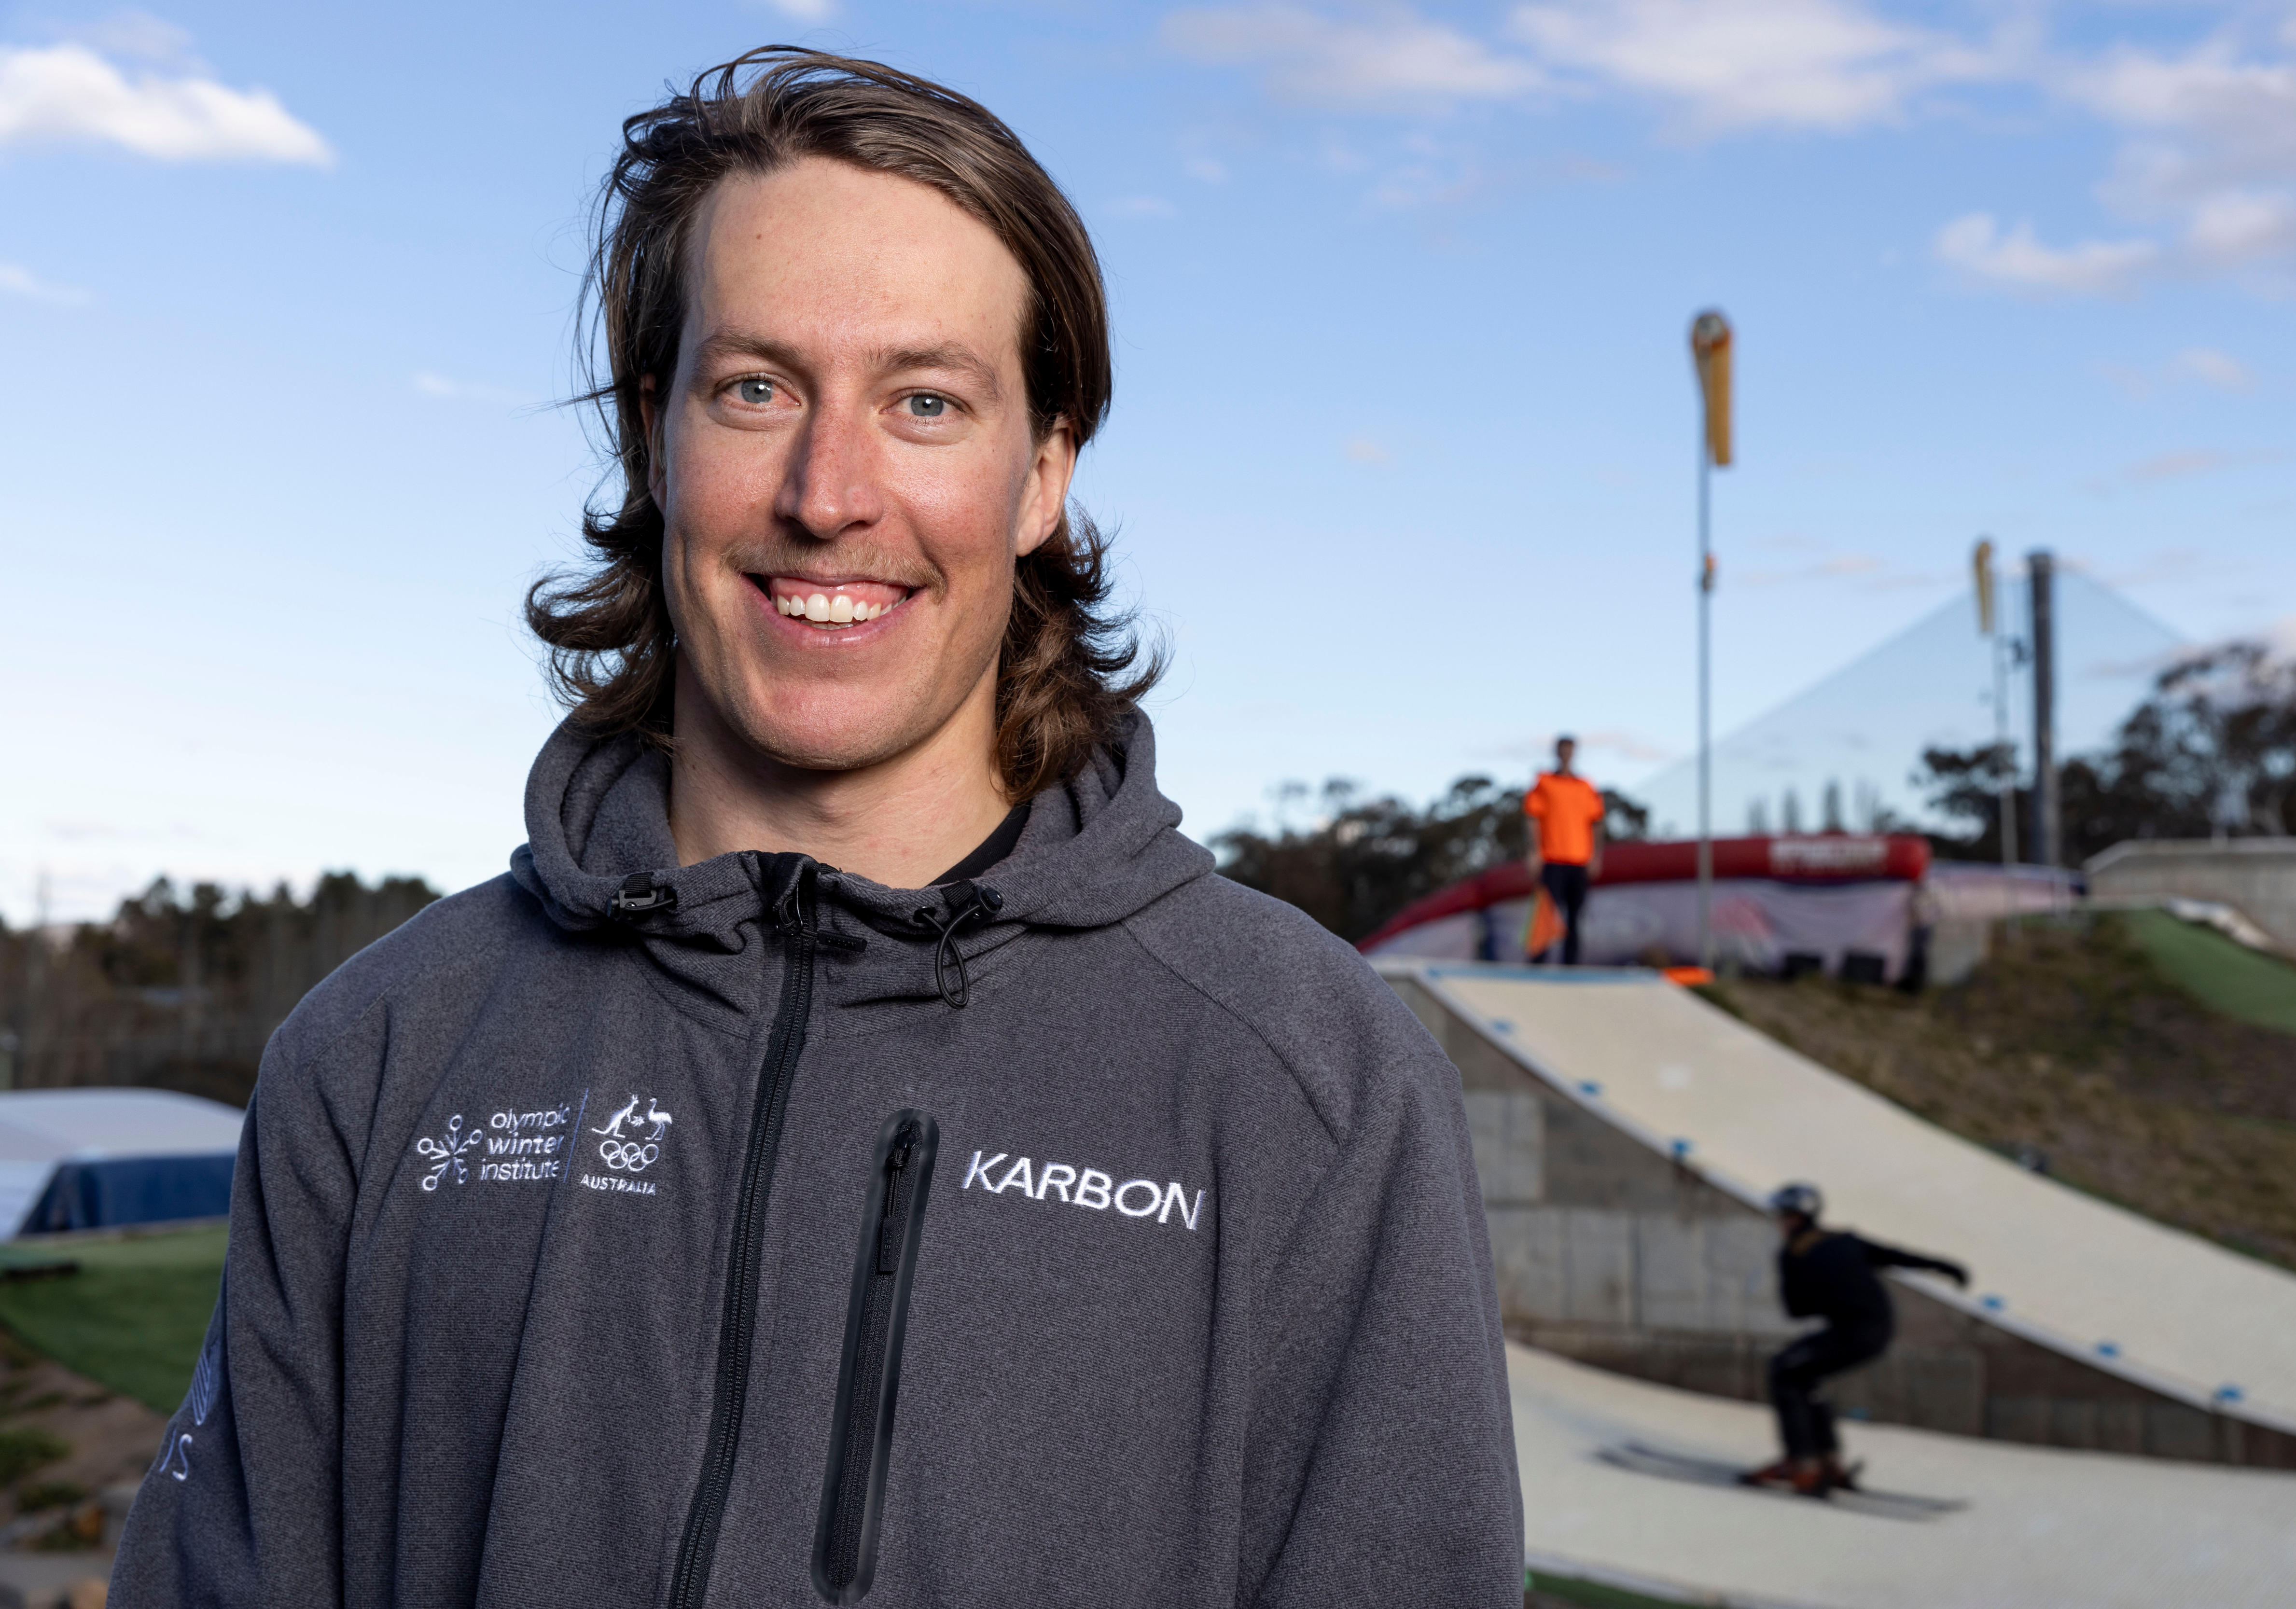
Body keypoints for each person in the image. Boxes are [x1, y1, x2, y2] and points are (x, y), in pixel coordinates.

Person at [111, 49, 1522, 1609]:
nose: (829, 490)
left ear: (1043, 468)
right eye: (757, 388)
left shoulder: (1305, 1083)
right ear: (657, 432)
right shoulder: (377, 1056)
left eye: (925, 399)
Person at [1747, 1182, 1969, 1496]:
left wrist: (1822, 1294)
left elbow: (1795, 1310)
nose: (1779, 1224)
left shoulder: (1793, 1253)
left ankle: (1803, 1464)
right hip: (1879, 1329)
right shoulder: (1844, 1239)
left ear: (1795, 1218)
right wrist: (1944, 1267)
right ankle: (1829, 1462)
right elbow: (1895, 1256)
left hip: (1850, 1331)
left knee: (1784, 1371)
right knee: (1804, 1377)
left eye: (1781, 1217)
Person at [1522, 735, 1605, 964]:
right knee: (1546, 914)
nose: (1566, 755)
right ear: (1557, 753)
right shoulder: (1544, 782)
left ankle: (1571, 968)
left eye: (1570, 751)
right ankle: (1537, 965)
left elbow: (1596, 821)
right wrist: (1534, 852)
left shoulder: (1585, 786)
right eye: (1562, 751)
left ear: (1574, 753)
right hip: (1552, 859)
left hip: (1580, 860)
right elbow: (1532, 818)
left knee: (1575, 917)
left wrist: (1597, 856)